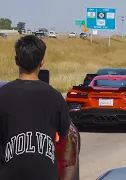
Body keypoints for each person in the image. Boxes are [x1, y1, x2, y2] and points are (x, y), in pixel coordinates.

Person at [0, 35, 71, 180]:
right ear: (42, 62)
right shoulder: (55, 97)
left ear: (16, 60)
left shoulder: (2, 95)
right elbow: (64, 133)